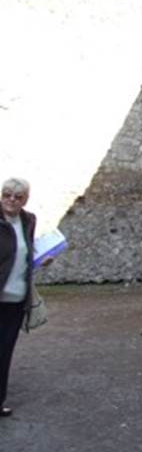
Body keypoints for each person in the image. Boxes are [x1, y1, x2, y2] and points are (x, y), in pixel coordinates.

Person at [0, 177, 36, 417]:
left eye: (18, 196)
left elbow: (25, 254)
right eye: (7, 194)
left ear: (25, 200)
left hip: (15, 300)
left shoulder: (28, 220)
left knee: (4, 352)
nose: (11, 199)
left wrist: (41, 259)